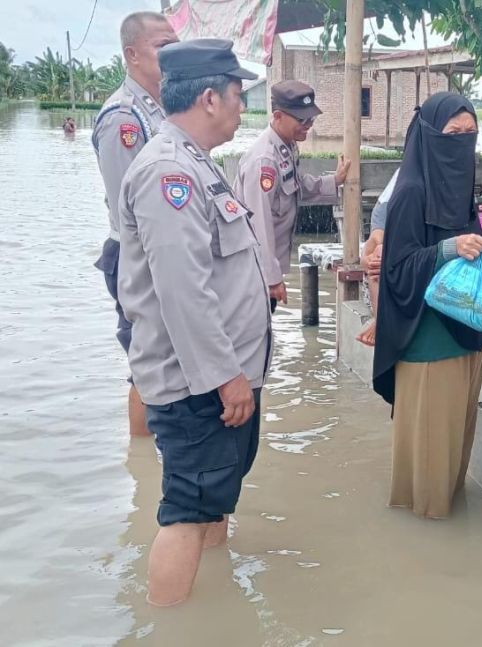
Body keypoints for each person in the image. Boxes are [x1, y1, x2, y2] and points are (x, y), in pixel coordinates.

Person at [117, 38, 270, 606]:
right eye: (237, 94)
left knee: (213, 499)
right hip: (196, 385)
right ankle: (172, 627)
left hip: (220, 378)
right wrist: (224, 376)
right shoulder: (167, 173)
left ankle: (214, 606)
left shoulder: (196, 165)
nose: (241, 106)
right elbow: (184, 291)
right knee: (187, 509)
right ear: (210, 97)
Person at [372, 93, 482, 519]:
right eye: (452, 134)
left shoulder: (462, 190)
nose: (462, 143)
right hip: (428, 342)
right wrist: (447, 248)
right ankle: (423, 547)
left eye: (470, 134)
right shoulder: (411, 192)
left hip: (468, 336)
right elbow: (396, 269)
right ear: (429, 136)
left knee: (456, 458)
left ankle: (446, 540)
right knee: (429, 473)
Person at [92, 11, 178, 436]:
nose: (173, 54)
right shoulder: (124, 119)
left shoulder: (161, 110)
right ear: (132, 55)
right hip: (135, 256)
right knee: (145, 364)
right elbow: (133, 211)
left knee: (163, 359)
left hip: (157, 251)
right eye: (163, 47)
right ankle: (143, 463)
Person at [234, 80, 349, 312]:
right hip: (252, 270)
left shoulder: (285, 146)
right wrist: (271, 278)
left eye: (311, 119)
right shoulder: (264, 160)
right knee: (253, 337)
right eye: (302, 120)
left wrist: (333, 181)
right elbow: (259, 223)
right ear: (278, 116)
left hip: (261, 268)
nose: (308, 125)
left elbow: (296, 185)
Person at [356, 169, 399, 346]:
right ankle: (380, 320)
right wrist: (367, 259)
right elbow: (375, 240)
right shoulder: (386, 206)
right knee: (378, 255)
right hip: (392, 250)